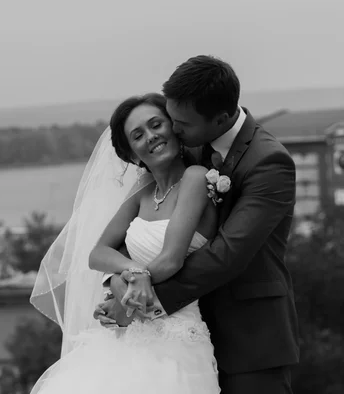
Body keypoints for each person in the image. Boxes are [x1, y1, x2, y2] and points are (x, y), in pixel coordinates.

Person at [96, 55, 300, 394]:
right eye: (171, 119)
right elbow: (132, 233)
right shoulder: (188, 147)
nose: (172, 130)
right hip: (180, 343)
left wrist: (139, 300)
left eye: (181, 124)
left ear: (220, 119)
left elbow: (227, 254)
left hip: (249, 341)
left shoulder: (269, 162)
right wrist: (123, 281)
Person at [29, 92, 221, 394]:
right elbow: (98, 253)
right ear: (132, 154)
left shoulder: (195, 178)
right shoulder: (143, 190)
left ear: (173, 127)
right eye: (138, 135)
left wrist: (121, 299)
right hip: (127, 338)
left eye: (156, 124)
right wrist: (130, 273)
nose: (151, 136)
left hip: (176, 339)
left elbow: (172, 259)